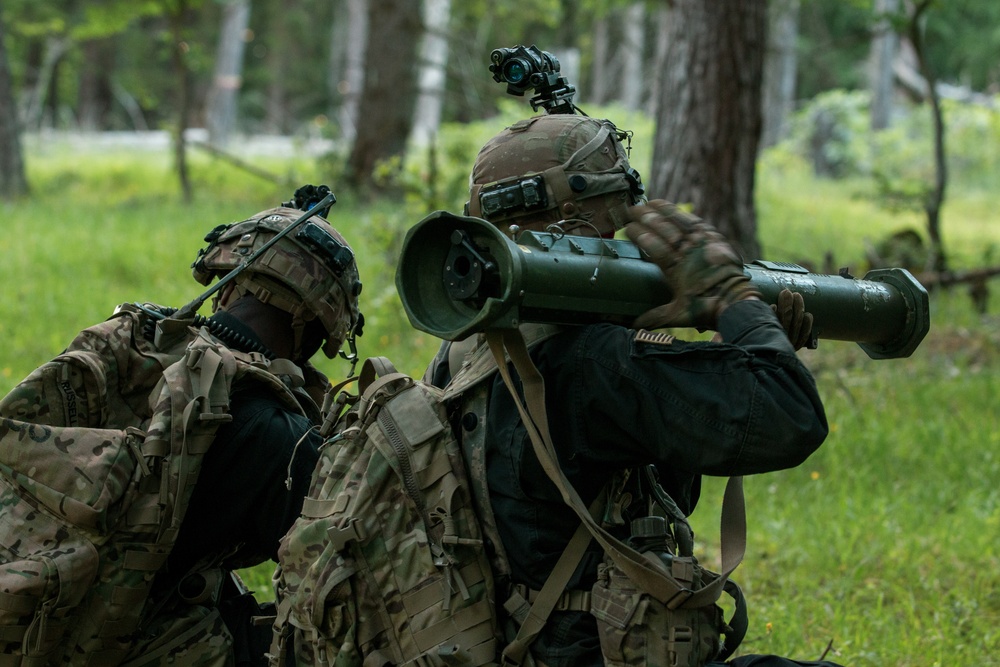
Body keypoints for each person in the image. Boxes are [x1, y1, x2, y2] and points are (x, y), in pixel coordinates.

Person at [423, 113, 840, 666]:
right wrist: (737, 302)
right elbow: (792, 418)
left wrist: (733, 347)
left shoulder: (460, 357)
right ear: (587, 220)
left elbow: (651, 501)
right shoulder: (595, 364)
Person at [0, 191, 363, 666]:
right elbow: (357, 566)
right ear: (310, 330)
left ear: (229, 288)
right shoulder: (277, 434)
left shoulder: (133, 346)